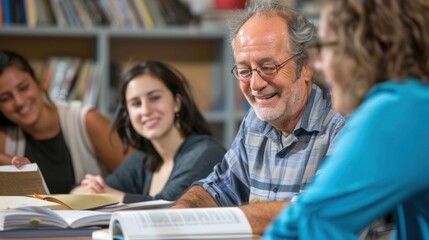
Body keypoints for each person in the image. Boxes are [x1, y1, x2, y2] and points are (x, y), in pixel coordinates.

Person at [172, 2, 346, 235]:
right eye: (244, 70)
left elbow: (317, 213)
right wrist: (180, 215)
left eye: (268, 67)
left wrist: (222, 221)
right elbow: (217, 189)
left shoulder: (343, 124)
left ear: (306, 66)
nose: (255, 84)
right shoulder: (255, 122)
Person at [263, 0, 429, 239]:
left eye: (324, 47)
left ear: (360, 48)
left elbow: (306, 225)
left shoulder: (399, 110)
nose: (318, 63)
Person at [71, 61, 226, 203]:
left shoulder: (205, 153)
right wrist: (93, 189)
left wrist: (108, 195)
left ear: (177, 103)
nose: (146, 110)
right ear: (128, 114)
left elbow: (169, 206)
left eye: (155, 98)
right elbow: (78, 192)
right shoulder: (143, 160)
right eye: (136, 103)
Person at [0, 50, 128, 194]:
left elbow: (138, 177)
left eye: (23, 88)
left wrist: (99, 188)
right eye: (5, 98)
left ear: (39, 81)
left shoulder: (85, 120)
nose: (19, 101)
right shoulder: (5, 137)